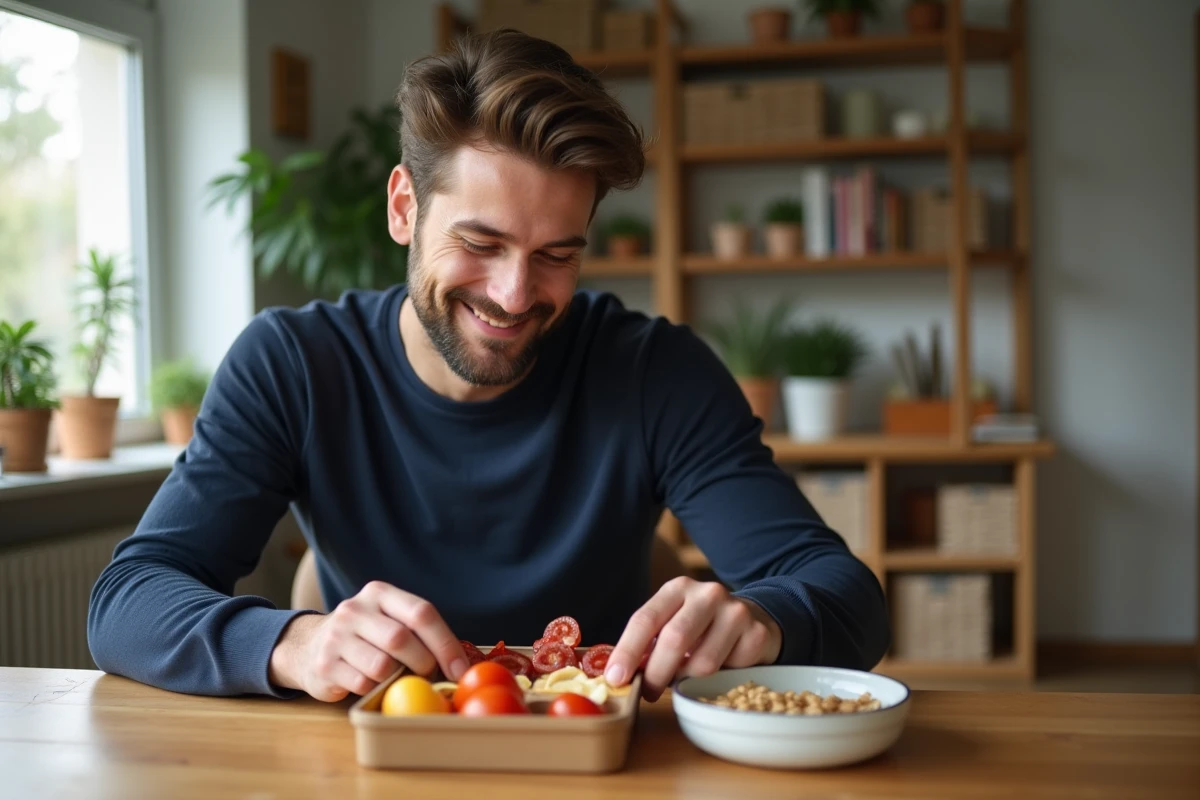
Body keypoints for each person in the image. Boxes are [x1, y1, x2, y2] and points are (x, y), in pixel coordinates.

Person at [87, 29, 889, 704]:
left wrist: (767, 620)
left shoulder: (656, 372)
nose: (513, 295)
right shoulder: (292, 365)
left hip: (596, 762)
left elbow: (846, 594)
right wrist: (292, 644)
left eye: (556, 255)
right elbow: (127, 600)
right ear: (404, 208)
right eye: (480, 243)